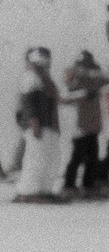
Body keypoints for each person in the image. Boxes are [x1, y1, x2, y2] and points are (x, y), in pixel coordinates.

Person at [13, 47, 64, 203]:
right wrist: (34, 121)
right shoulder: (31, 77)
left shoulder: (44, 77)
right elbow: (29, 102)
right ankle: (29, 190)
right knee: (36, 157)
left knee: (49, 157)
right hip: (38, 124)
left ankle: (44, 189)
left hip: (48, 124)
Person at [60, 51, 106, 197]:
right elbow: (65, 97)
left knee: (92, 156)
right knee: (78, 156)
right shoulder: (73, 78)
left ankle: (88, 185)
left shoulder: (93, 79)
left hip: (91, 123)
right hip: (78, 125)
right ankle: (69, 185)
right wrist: (83, 93)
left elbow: (104, 82)